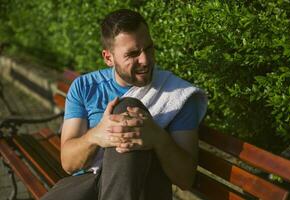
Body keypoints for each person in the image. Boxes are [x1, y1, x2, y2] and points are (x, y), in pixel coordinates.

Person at [42, 8, 207, 200]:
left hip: (145, 190)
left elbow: (185, 178)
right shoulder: (85, 87)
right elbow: (69, 163)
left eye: (149, 48)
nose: (145, 60)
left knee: (128, 106)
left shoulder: (176, 94)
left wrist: (157, 137)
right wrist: (96, 135)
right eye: (133, 54)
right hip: (87, 186)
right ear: (108, 58)